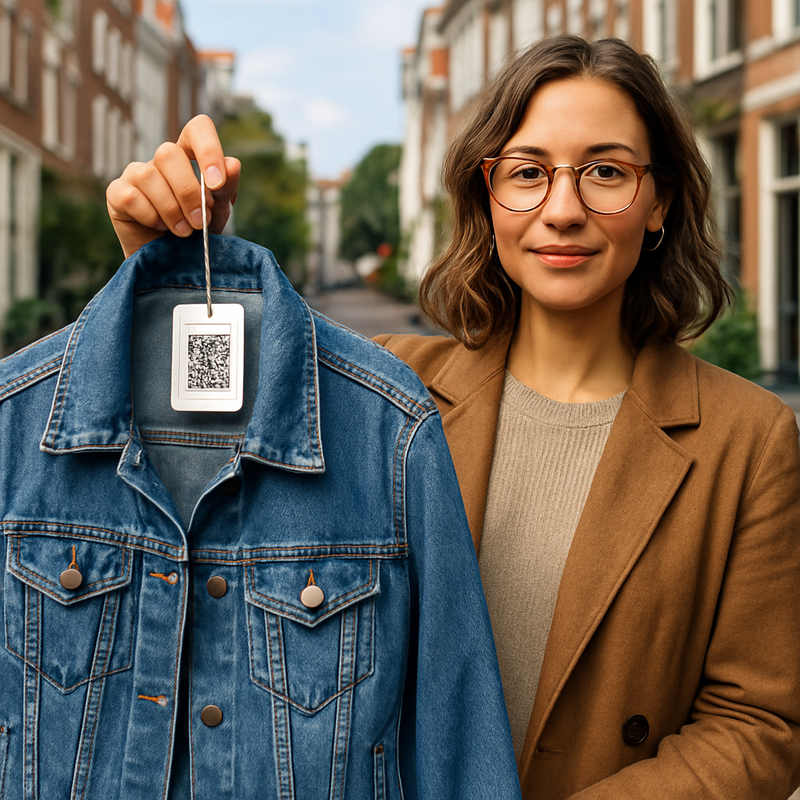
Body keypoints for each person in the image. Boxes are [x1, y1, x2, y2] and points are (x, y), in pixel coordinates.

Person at [107, 35, 800, 799]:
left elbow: (757, 723)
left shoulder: (750, 440)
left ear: (660, 198)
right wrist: (169, 277)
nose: (562, 211)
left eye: (606, 172)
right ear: (487, 195)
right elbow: (194, 487)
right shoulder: (376, 395)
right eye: (528, 173)